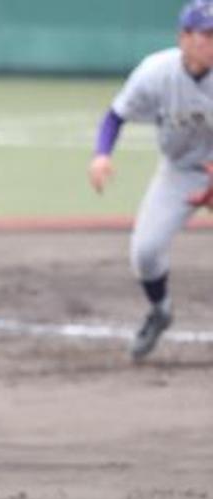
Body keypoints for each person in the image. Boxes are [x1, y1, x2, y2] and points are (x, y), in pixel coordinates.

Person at [88, 0, 213, 362]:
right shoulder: (156, 71)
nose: (212, 42)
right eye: (206, 35)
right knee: (145, 252)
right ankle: (160, 310)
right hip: (180, 171)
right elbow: (115, 115)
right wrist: (101, 155)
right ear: (184, 38)